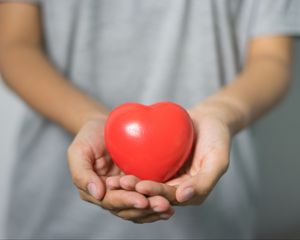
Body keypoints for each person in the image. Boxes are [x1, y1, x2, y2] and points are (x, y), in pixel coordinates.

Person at [0, 0, 299, 238]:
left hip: (213, 218)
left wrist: (220, 112)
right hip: (53, 213)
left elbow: (272, 60)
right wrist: (89, 119)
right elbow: (14, 46)